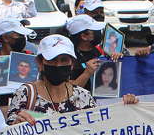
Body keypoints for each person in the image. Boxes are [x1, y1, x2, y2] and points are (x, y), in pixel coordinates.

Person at [7, 35, 137, 124]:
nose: (58, 65)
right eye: (51, 60)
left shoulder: (83, 96)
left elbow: (99, 129)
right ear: (40, 63)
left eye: (64, 60)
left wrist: (125, 108)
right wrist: (16, 124)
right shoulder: (26, 94)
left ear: (72, 64)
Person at [65, 14, 108, 93]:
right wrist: (87, 74)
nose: (99, 33)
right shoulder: (70, 57)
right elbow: (68, 91)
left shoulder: (94, 49)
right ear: (84, 36)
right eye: (94, 31)